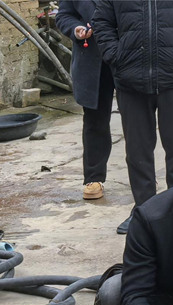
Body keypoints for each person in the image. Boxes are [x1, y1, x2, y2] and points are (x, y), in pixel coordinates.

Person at [91, 0, 173, 234]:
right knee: (138, 152)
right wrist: (115, 54)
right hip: (130, 81)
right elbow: (102, 21)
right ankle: (144, 212)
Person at [55, 0, 115, 200]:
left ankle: (143, 177)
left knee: (137, 119)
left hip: (127, 54)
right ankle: (94, 177)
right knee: (95, 121)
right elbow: (64, 15)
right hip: (92, 58)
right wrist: (76, 29)